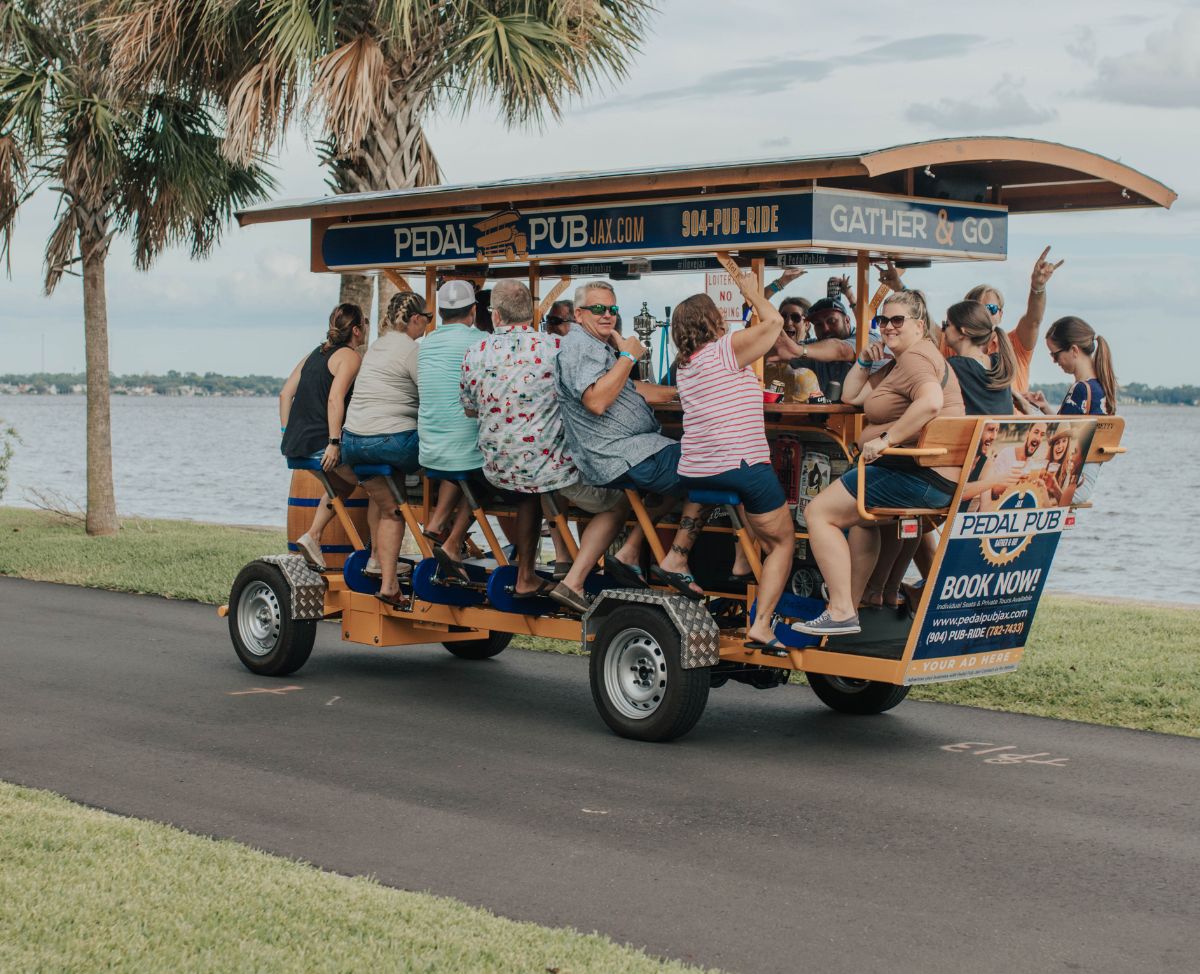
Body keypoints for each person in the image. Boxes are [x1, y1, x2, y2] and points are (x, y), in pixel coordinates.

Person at [794, 289, 965, 636]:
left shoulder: (916, 359)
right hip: (927, 474)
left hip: (917, 472)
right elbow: (851, 396)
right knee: (865, 523)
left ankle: (841, 609)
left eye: (897, 320)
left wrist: (887, 440)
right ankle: (848, 608)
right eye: (882, 320)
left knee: (819, 513)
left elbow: (931, 402)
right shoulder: (903, 362)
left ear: (919, 324)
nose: (888, 327)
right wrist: (865, 360)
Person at [554, 280, 721, 599]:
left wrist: (684, 392)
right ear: (578, 314)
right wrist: (627, 356)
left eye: (612, 309)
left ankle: (628, 552)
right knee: (712, 466)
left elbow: (632, 390)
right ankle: (677, 559)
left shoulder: (595, 345)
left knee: (682, 462)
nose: (607, 315)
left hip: (632, 450)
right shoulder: (580, 346)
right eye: (598, 308)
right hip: (619, 455)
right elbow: (597, 401)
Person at [460, 279, 607, 604]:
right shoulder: (555, 348)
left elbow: (470, 409)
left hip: (495, 468)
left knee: (528, 481)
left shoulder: (476, 352)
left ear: (496, 316)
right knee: (603, 486)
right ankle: (581, 568)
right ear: (533, 313)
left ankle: (536, 567)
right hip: (548, 471)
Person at [671, 277, 794, 651]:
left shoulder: (685, 364)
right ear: (712, 321)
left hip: (697, 467)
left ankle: (742, 564)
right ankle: (762, 625)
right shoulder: (724, 349)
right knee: (783, 543)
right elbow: (773, 324)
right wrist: (752, 292)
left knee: (747, 502)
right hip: (740, 464)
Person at [340, 291, 429, 606]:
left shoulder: (375, 347)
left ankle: (378, 558)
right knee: (396, 509)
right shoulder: (411, 350)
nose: (427, 327)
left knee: (383, 498)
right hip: (391, 444)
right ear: (415, 319)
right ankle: (391, 583)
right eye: (427, 320)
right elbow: (430, 397)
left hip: (353, 442)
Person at [279, 303, 367, 570]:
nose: (365, 328)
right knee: (376, 486)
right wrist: (333, 443)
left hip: (295, 445)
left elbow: (285, 394)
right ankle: (376, 559)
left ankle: (313, 536)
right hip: (321, 444)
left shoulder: (313, 354)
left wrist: (287, 433)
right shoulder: (350, 357)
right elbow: (334, 398)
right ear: (355, 330)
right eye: (363, 323)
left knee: (342, 486)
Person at [417, 280, 485, 574]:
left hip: (430, 451)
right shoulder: (481, 341)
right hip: (463, 455)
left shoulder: (425, 343)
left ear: (441, 313)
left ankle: (435, 523)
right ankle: (453, 542)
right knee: (495, 472)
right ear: (472, 311)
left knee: (458, 458)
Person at [959, 246, 1065, 396]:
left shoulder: (1014, 344)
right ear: (965, 314)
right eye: (977, 308)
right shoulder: (953, 343)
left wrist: (1038, 287)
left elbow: (1033, 320)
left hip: (1012, 419)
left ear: (1000, 314)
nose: (984, 314)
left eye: (991, 308)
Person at [1028, 316, 1118, 416]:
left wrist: (1026, 409)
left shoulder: (1080, 389)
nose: (1054, 361)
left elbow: (1058, 431)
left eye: (1055, 355)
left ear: (1074, 350)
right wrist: (1045, 407)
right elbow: (1069, 428)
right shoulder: (1102, 386)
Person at [941, 300, 1017, 415]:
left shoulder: (954, 367)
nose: (943, 330)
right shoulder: (999, 363)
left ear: (963, 332)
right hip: (999, 432)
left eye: (946, 324)